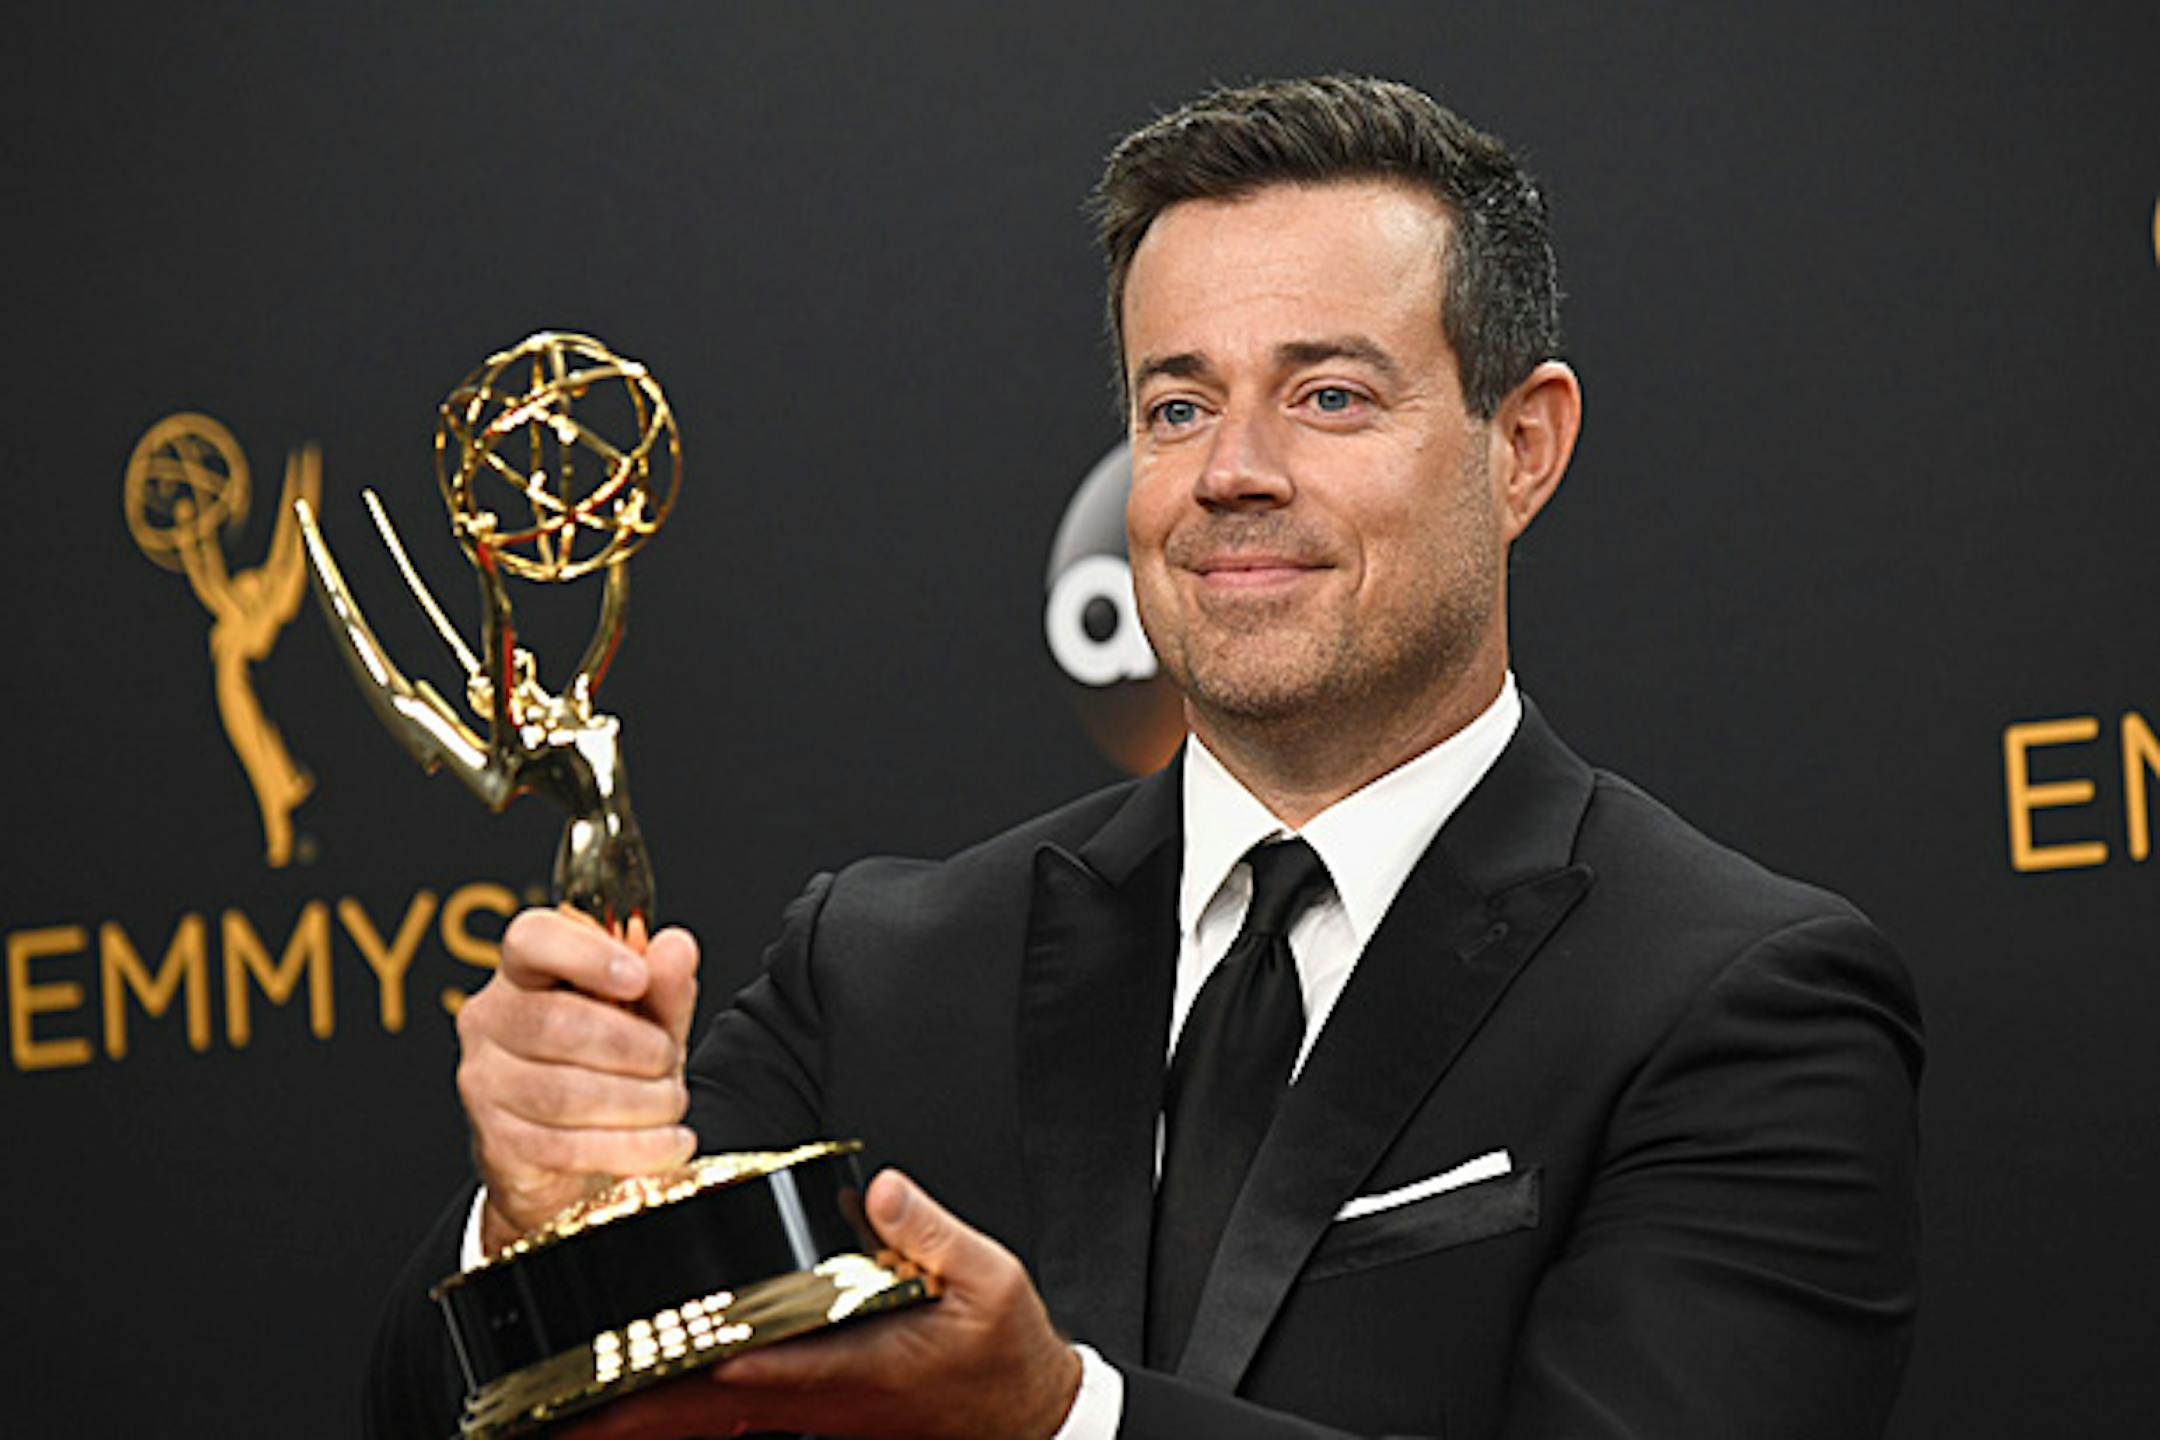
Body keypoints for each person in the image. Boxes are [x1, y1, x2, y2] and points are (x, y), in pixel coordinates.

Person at [366, 76, 1922, 1440]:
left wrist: (1063, 1423)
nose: (1233, 474)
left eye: (1326, 395)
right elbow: (442, 1403)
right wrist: (541, 1216)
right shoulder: (882, 973)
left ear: (1522, 445)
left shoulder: (1742, 1005)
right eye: (1177, 405)